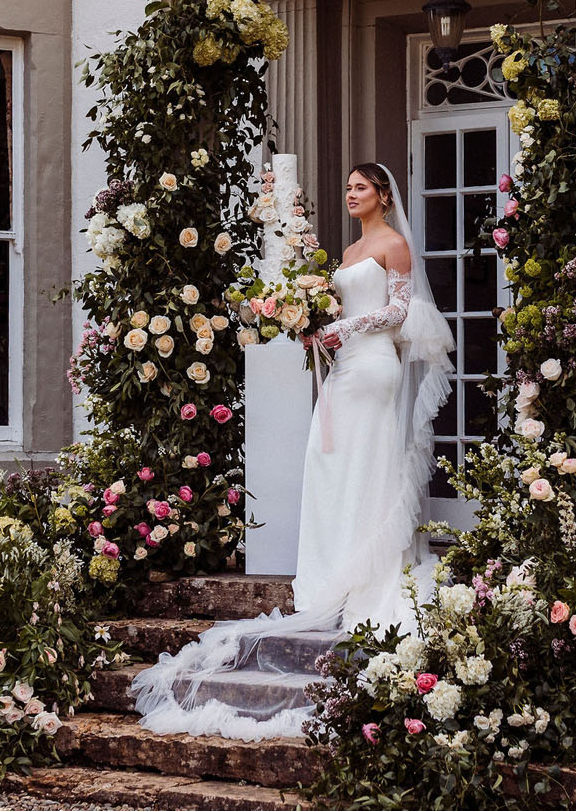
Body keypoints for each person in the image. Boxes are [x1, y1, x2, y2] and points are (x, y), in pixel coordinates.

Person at [126, 163, 456, 741]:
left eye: (360, 187)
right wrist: (312, 322)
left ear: (383, 194)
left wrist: (344, 329)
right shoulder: (351, 247)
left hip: (372, 365)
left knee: (362, 464)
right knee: (331, 467)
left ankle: (367, 573)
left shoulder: (394, 244)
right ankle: (334, 569)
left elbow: (401, 312)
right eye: (347, 186)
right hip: (344, 364)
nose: (350, 194)